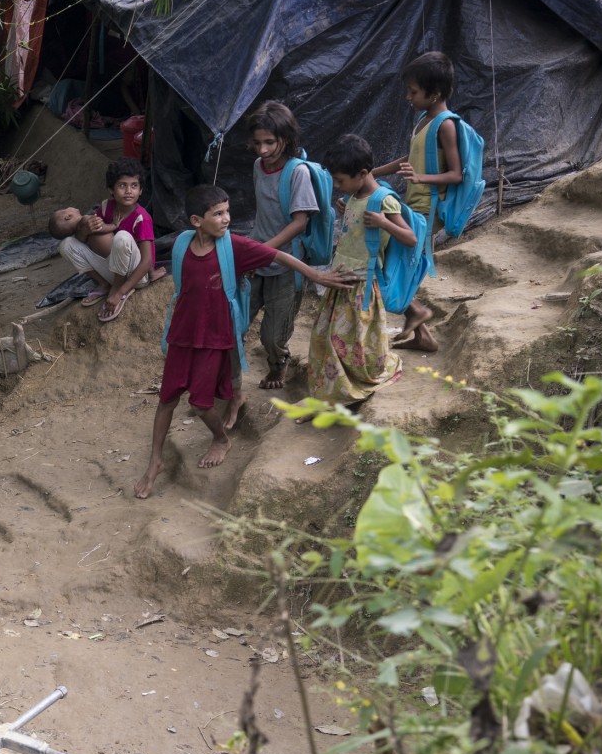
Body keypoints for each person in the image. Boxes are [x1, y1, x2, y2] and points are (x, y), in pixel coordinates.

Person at [134, 185, 345, 496]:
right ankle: (154, 462)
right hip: (181, 336)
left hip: (214, 339)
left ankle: (221, 438)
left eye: (227, 211)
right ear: (196, 220)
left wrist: (317, 276)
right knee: (166, 400)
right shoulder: (181, 245)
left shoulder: (233, 247)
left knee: (201, 402)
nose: (226, 218)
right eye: (217, 214)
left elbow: (278, 255)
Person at [372, 51, 463, 353]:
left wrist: (422, 179)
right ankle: (423, 336)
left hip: (428, 209)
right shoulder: (424, 119)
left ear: (434, 93)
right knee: (403, 264)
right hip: (415, 204)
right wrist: (374, 172)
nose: (408, 97)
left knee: (400, 264)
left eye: (413, 92)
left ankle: (417, 312)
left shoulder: (446, 125)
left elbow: (456, 174)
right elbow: (409, 158)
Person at [313, 135, 408, 409]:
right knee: (334, 338)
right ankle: (336, 392)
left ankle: (343, 395)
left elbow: (410, 238)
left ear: (363, 174)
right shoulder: (354, 195)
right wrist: (347, 208)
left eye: (341, 180)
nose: (337, 186)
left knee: (343, 341)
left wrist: (384, 222)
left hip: (361, 285)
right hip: (341, 278)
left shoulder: (384, 202)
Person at [247, 101, 324, 391]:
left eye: (270, 142)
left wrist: (265, 249)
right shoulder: (258, 166)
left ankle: (279, 364)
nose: (263, 150)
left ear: (287, 139)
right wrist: (255, 252)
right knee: (238, 320)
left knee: (273, 334)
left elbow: (299, 222)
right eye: (257, 143)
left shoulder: (297, 173)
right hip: (257, 259)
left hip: (286, 263)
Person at [49, 157, 159, 323]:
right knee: (66, 244)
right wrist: (84, 231)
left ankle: (118, 290)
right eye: (123, 185)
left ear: (141, 190)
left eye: (134, 186)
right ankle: (104, 284)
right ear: (111, 189)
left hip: (136, 276)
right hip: (113, 271)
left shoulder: (142, 218)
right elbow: (90, 238)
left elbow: (147, 261)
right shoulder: (106, 207)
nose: (129, 190)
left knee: (121, 238)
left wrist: (120, 291)